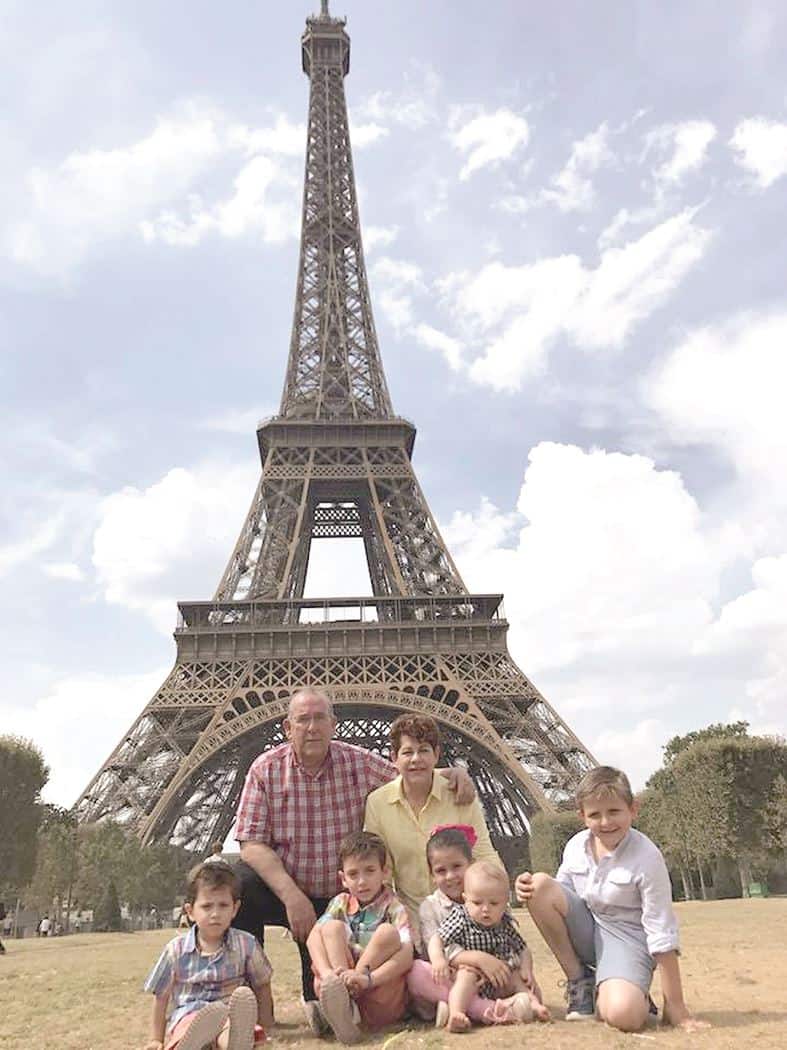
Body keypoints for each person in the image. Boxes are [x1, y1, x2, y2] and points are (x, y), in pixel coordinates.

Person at [232, 687, 472, 1028]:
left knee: (322, 1006)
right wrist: (292, 896)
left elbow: (409, 774)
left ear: (334, 724)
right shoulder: (265, 769)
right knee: (239, 884)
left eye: (319, 719)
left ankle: (336, 999)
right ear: (288, 728)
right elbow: (251, 843)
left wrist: (451, 773)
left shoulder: (358, 762)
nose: (311, 727)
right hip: (286, 894)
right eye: (303, 720)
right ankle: (252, 1002)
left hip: (342, 900)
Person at [515, 765, 710, 1032]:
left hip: (628, 939)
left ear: (633, 809)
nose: (606, 822)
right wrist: (525, 886)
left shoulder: (647, 857)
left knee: (623, 1015)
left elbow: (660, 929)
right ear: (582, 816)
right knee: (538, 885)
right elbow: (560, 893)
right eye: (595, 814)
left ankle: (628, 990)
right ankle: (580, 981)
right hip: (588, 925)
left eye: (614, 811)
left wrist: (675, 1004)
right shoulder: (575, 846)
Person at [363, 714, 502, 934]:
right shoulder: (378, 803)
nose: (416, 758)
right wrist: (395, 919)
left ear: (436, 754)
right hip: (411, 919)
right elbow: (382, 872)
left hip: (466, 916)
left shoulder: (460, 794)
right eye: (407, 752)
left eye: (424, 750)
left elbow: (483, 854)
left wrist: (499, 900)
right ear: (394, 758)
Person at [407, 826, 542, 1025]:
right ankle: (490, 1010)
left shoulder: (490, 899)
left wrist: (524, 970)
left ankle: (458, 1008)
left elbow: (515, 943)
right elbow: (434, 947)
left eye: (456, 866)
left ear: (470, 865)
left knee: (529, 986)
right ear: (431, 875)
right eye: (441, 871)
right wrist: (479, 959)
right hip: (451, 976)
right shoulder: (430, 907)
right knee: (416, 972)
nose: (451, 876)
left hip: (495, 977)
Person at [143, 861, 273, 1050]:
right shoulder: (175, 950)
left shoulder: (247, 945)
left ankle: (235, 1045)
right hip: (189, 1016)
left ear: (235, 909)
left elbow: (262, 986)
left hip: (230, 1015)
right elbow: (161, 997)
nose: (215, 914)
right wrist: (156, 1039)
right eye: (207, 906)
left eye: (223, 905)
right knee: (188, 1031)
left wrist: (266, 1025)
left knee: (231, 1029)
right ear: (190, 912)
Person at [306, 831, 413, 1043]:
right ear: (343, 879)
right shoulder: (341, 902)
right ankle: (342, 999)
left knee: (388, 933)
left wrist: (365, 979)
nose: (362, 881)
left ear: (384, 872)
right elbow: (312, 939)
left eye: (370, 871)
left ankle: (336, 1010)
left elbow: (407, 955)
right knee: (329, 928)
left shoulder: (394, 906)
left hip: (376, 990)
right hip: (341, 979)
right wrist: (329, 974)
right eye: (353, 874)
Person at [431, 861, 548, 1032]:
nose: (485, 909)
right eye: (477, 903)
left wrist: (526, 969)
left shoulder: (504, 922)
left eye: (494, 903)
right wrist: (438, 959)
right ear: (466, 899)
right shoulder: (461, 918)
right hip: (473, 975)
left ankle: (534, 1004)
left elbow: (523, 948)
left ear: (505, 902)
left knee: (516, 978)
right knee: (466, 976)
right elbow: (437, 939)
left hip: (500, 978)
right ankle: (456, 1013)